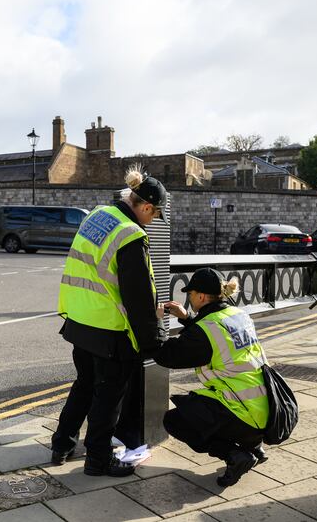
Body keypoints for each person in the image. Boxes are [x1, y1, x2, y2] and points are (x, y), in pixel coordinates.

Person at [51, 167, 167, 477]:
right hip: (110, 329)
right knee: (109, 396)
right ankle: (98, 459)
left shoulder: (98, 215)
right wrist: (153, 341)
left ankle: (62, 443)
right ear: (145, 207)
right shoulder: (131, 234)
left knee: (84, 386)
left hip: (79, 318)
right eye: (155, 214)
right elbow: (139, 297)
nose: (153, 220)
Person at [153, 268, 269, 487]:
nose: (188, 298)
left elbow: (166, 355)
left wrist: (158, 323)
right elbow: (215, 336)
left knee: (175, 420)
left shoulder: (205, 329)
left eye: (190, 294)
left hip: (241, 412)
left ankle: (235, 455)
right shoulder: (238, 314)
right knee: (214, 405)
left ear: (201, 296)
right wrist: (187, 318)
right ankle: (253, 446)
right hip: (267, 410)